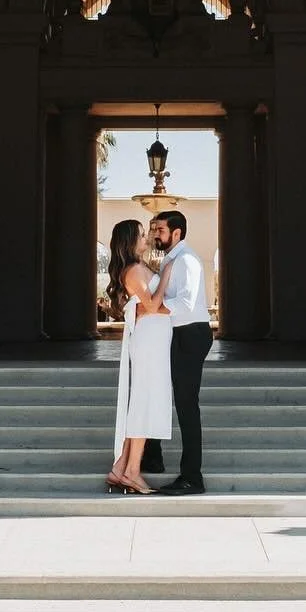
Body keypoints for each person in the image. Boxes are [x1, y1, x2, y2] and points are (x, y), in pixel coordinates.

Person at [144, 209, 212, 496]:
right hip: (177, 335)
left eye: (158, 230)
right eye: (153, 229)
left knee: (186, 406)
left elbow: (185, 304)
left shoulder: (186, 261)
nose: (153, 234)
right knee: (157, 393)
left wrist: (153, 308)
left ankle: (192, 477)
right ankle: (153, 457)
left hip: (190, 335)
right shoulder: (170, 260)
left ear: (176, 233)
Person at [105, 218, 173, 496]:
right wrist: (167, 273)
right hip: (148, 343)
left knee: (147, 402)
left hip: (155, 340)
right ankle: (132, 471)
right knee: (144, 403)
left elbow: (151, 307)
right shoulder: (133, 271)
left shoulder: (140, 268)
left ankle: (121, 467)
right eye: (142, 235)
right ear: (130, 240)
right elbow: (154, 305)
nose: (146, 238)